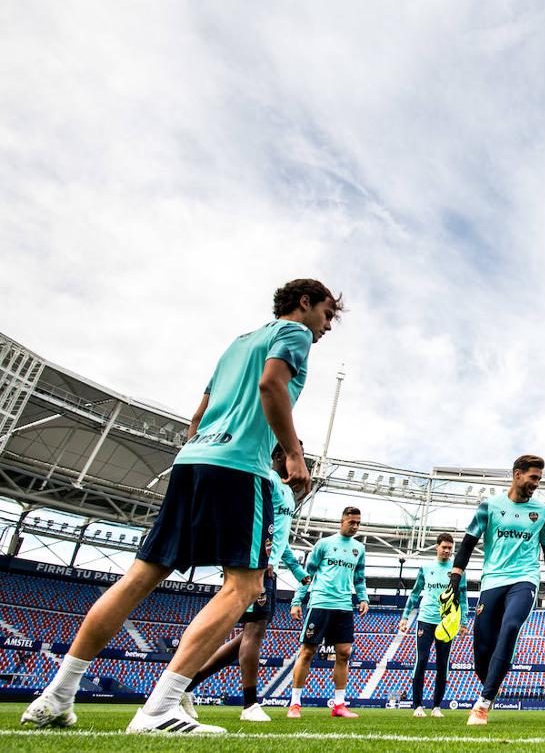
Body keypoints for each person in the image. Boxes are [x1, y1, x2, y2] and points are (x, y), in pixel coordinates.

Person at [21, 279, 340, 735]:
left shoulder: (237, 344)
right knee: (245, 587)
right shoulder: (295, 335)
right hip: (238, 466)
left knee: (140, 577)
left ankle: (56, 696)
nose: (327, 326)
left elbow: (198, 415)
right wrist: (292, 453)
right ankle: (160, 709)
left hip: (192, 461)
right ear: (305, 303)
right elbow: (272, 386)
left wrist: (199, 452)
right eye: (327, 314)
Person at [182, 443, 313, 721]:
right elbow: (252, 523)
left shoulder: (286, 492)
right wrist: (259, 561)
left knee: (248, 635)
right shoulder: (266, 481)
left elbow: (281, 539)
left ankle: (186, 684)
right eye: (296, 456)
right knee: (254, 632)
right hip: (255, 566)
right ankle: (250, 704)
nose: (301, 462)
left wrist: (299, 573)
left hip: (267, 568)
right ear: (279, 456)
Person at [447, 454, 545, 726]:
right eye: (533, 477)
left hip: (524, 579)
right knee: (481, 656)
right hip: (492, 581)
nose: (536, 483)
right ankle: (491, 682)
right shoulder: (490, 506)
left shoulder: (543, 513)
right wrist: (455, 577)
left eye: (539, 478)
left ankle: (483, 704)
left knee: (511, 626)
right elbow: (467, 543)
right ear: (517, 474)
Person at [288, 506, 368, 719]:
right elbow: (308, 574)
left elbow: (359, 578)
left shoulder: (359, 548)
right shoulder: (324, 544)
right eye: (352, 522)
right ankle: (295, 704)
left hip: (343, 606)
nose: (355, 526)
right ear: (341, 521)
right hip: (321, 603)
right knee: (307, 652)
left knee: (344, 653)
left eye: (358, 523)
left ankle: (339, 705)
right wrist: (297, 601)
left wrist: (363, 598)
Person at [399, 532, 467, 718]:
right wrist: (405, 617)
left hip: (447, 623)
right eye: (444, 547)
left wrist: (464, 622)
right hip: (426, 619)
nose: (446, 551)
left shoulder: (458, 570)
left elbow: (462, 597)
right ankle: (417, 706)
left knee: (442, 664)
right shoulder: (426, 567)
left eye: (450, 548)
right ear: (437, 547)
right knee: (421, 660)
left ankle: (436, 706)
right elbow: (414, 593)